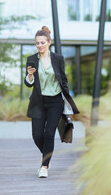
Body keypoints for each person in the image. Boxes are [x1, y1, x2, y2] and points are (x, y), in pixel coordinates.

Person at [24, 26, 79, 178]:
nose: (39, 45)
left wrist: (67, 100)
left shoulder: (58, 59)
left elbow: (63, 79)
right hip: (38, 102)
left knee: (49, 134)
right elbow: (28, 83)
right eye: (37, 43)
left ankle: (44, 166)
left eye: (42, 42)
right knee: (37, 135)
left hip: (55, 102)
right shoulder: (31, 59)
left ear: (49, 42)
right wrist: (29, 76)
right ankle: (47, 155)